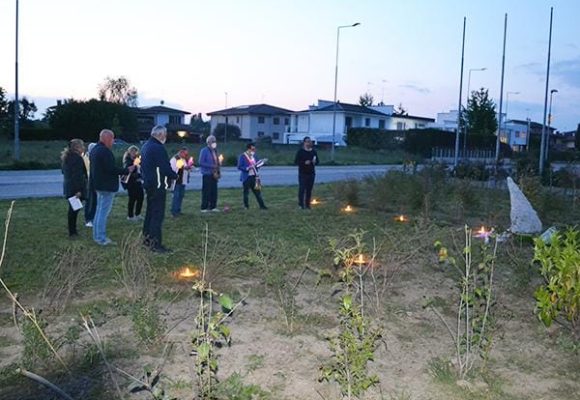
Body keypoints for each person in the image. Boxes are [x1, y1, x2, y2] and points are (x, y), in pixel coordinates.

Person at [90, 129, 134, 246]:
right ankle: (101, 238)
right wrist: (126, 170)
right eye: (112, 138)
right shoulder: (105, 151)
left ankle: (96, 235)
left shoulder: (95, 150)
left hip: (99, 185)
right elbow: (111, 169)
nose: (113, 141)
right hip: (106, 186)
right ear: (106, 138)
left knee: (99, 211)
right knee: (103, 212)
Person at [140, 125, 177, 253]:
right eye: (165, 134)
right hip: (158, 185)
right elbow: (164, 167)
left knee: (150, 214)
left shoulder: (146, 145)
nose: (165, 137)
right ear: (160, 135)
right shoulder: (158, 148)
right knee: (157, 215)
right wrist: (175, 175)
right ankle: (155, 244)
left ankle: (146, 240)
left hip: (149, 184)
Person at [61, 139, 87, 237]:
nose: (83, 148)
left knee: (73, 209)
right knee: (74, 210)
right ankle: (73, 232)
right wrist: (78, 190)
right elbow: (77, 176)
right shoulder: (77, 159)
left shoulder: (67, 158)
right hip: (75, 188)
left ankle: (72, 230)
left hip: (69, 186)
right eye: (82, 146)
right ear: (77, 147)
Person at [237, 142, 268, 210]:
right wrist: (247, 168)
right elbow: (239, 166)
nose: (254, 150)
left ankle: (262, 206)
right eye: (252, 149)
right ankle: (246, 206)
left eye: (254, 149)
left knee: (258, 192)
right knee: (246, 193)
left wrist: (262, 162)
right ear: (248, 149)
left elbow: (257, 165)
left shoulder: (255, 156)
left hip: (255, 177)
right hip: (247, 177)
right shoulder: (242, 156)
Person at [294, 136, 319, 209]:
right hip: (303, 173)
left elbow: (317, 161)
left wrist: (315, 162)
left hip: (311, 173)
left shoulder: (313, 151)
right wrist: (304, 162)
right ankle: (301, 205)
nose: (309, 143)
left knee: (309, 189)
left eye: (310, 141)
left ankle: (307, 204)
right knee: (302, 189)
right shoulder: (300, 151)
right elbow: (296, 161)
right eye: (307, 141)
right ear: (304, 143)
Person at [199, 135, 220, 212]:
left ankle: (213, 206)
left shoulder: (215, 151)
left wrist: (218, 168)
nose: (214, 142)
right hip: (207, 174)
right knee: (206, 191)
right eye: (213, 141)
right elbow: (201, 162)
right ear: (208, 142)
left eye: (215, 141)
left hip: (214, 174)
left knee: (214, 191)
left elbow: (217, 161)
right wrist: (212, 166)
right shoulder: (204, 150)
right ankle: (204, 207)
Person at [169, 147, 193, 217]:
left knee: (180, 196)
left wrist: (190, 167)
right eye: (185, 153)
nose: (186, 155)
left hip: (182, 181)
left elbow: (185, 167)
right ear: (181, 152)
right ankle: (174, 211)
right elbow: (180, 167)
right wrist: (187, 167)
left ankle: (178, 210)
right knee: (176, 196)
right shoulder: (176, 159)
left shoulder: (183, 159)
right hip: (177, 181)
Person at [122, 145, 144, 221]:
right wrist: (135, 164)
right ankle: (130, 216)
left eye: (135, 151)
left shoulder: (138, 159)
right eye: (132, 151)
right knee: (132, 198)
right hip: (130, 182)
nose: (134, 153)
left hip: (138, 181)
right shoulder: (127, 160)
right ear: (129, 152)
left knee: (140, 197)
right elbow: (128, 170)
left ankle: (138, 214)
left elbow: (141, 169)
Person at [83, 142, 97, 227]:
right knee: (89, 201)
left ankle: (93, 217)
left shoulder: (93, 157)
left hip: (94, 182)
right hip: (88, 183)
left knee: (95, 201)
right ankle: (88, 219)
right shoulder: (86, 158)